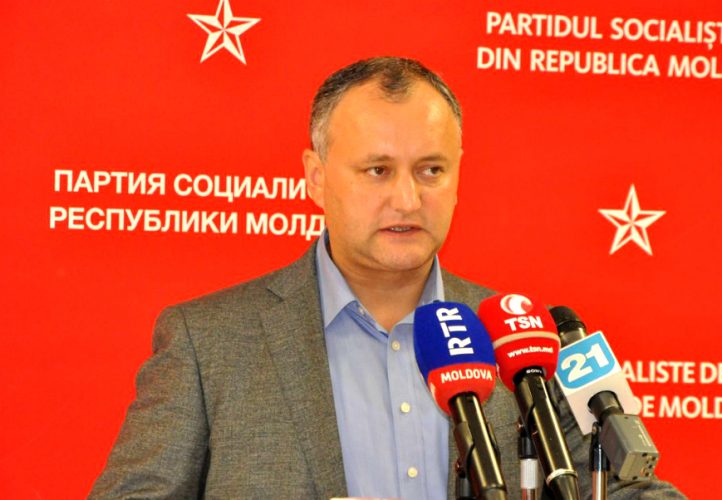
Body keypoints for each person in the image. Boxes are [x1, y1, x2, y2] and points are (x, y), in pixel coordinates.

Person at [90, 57, 684, 499]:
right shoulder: (208, 343)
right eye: (377, 170)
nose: (407, 198)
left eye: (430, 170)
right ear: (316, 177)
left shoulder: (521, 341)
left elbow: (634, 490)